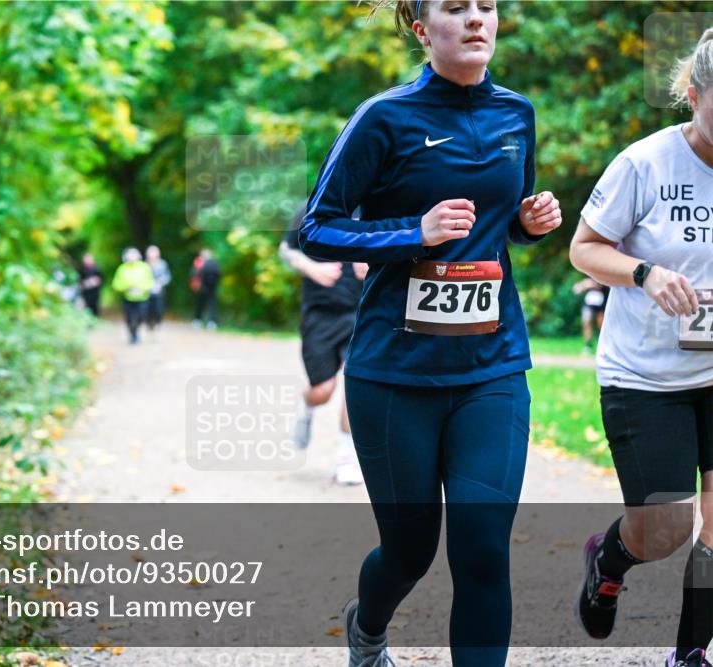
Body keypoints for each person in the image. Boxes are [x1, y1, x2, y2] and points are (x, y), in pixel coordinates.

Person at [299, 1, 563, 665]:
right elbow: (317, 228)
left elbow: (496, 227)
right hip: (395, 373)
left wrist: (528, 224)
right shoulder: (384, 117)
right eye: (455, 7)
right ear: (422, 29)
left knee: (480, 546)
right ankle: (368, 628)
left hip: (492, 366)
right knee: (410, 550)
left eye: (487, 6)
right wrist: (410, 233)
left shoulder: (518, 114)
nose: (476, 18)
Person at [569, 28, 713, 667]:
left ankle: (691, 653)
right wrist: (646, 274)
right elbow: (585, 247)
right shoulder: (644, 164)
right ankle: (610, 557)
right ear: (692, 92)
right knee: (666, 531)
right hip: (646, 378)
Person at [280, 203, 368, 485]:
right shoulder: (312, 206)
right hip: (320, 313)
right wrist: (310, 267)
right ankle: (306, 407)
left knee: (355, 384)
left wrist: (376, 261)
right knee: (323, 390)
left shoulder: (376, 205)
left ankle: (346, 458)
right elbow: (286, 249)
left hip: (362, 310)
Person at [111, 247, 154, 345]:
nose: (132, 258)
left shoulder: (144, 267)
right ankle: (133, 335)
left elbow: (150, 282)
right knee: (129, 318)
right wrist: (126, 287)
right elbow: (116, 284)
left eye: (134, 255)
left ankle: (136, 331)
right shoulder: (122, 268)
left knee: (141, 317)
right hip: (127, 298)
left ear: (138, 256)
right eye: (130, 256)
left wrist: (143, 288)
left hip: (142, 298)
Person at [573, 275, 609, 352]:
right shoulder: (586, 274)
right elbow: (577, 289)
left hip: (603, 302)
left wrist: (593, 285)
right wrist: (583, 286)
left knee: (603, 325)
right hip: (590, 302)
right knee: (586, 322)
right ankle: (588, 345)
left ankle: (605, 345)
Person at [145, 245, 172, 334]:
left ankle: (157, 323)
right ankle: (149, 324)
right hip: (147, 292)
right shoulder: (144, 264)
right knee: (148, 309)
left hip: (159, 291)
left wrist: (161, 282)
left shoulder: (162, 264)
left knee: (159, 309)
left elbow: (167, 276)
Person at [192, 248, 220, 330]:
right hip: (209, 289)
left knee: (204, 305)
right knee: (209, 305)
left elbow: (194, 274)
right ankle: (210, 322)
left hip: (205, 288)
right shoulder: (215, 264)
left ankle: (200, 321)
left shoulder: (200, 263)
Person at [78, 253, 103, 317]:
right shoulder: (82, 270)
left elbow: (101, 280)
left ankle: (96, 318)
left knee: (95, 306)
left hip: (95, 292)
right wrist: (85, 283)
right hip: (86, 292)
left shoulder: (97, 269)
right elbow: (80, 282)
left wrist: (96, 281)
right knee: (87, 307)